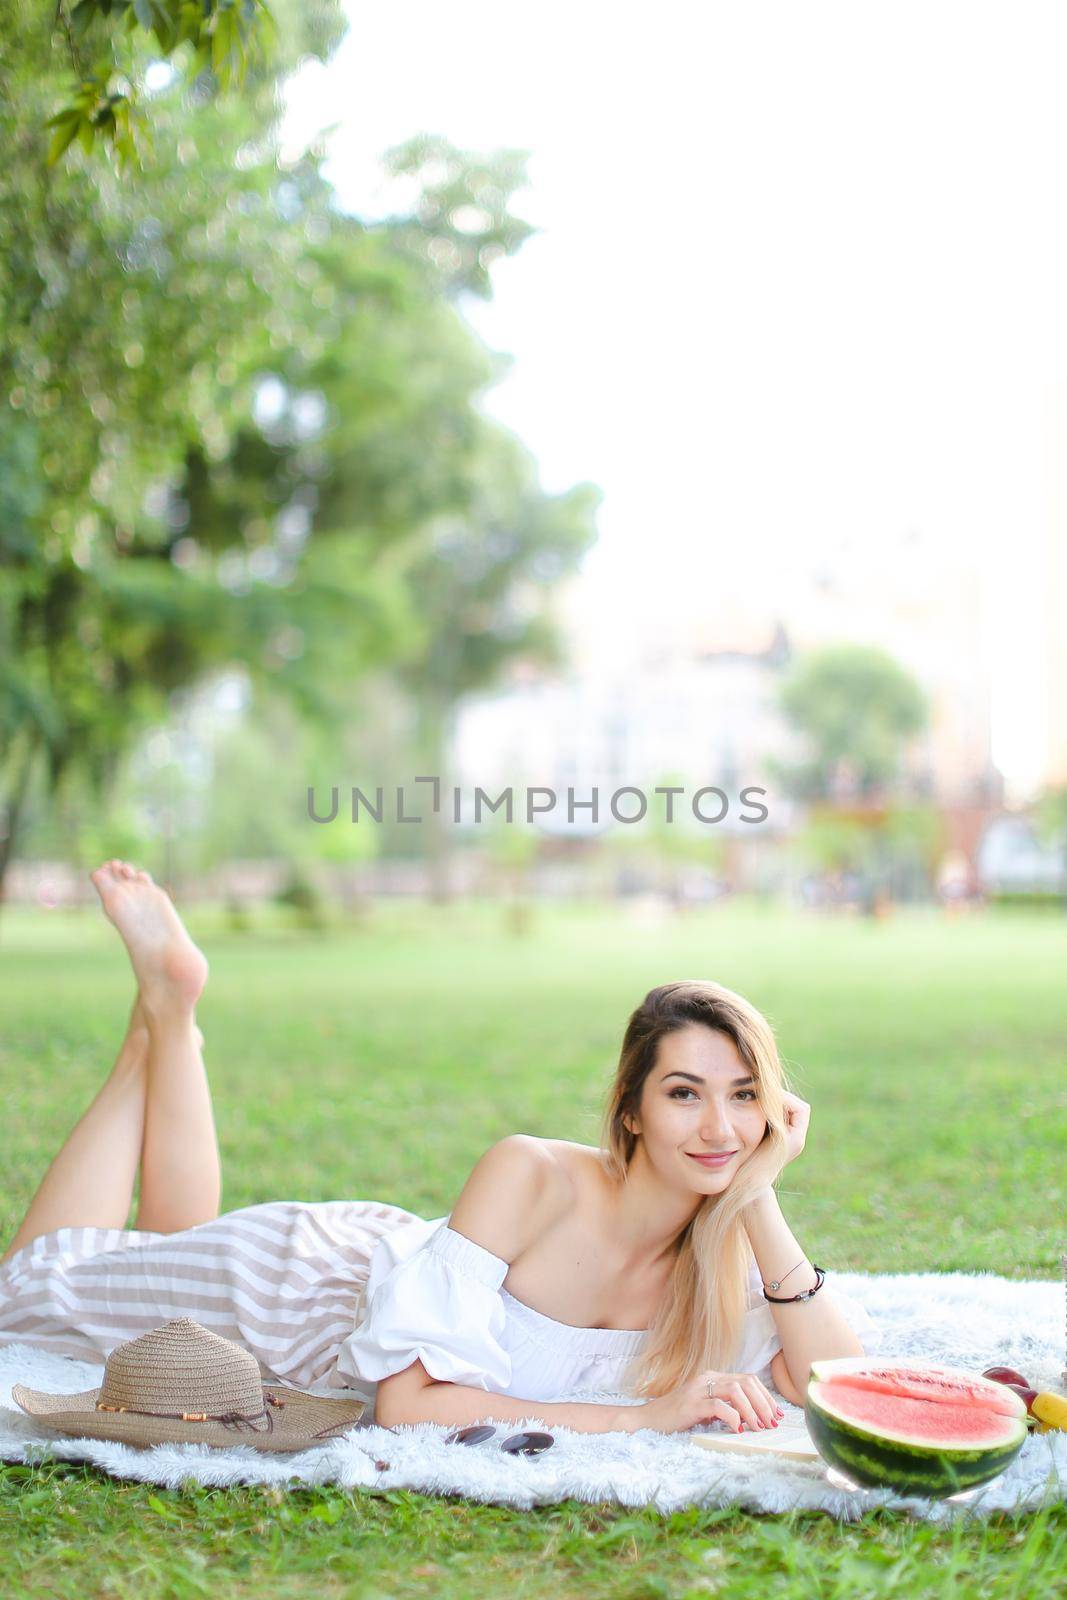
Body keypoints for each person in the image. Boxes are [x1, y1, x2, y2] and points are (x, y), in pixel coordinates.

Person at [0, 861, 881, 1438]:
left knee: (159, 1238)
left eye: (743, 1098)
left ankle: (166, 1014)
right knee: (28, 1285)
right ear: (631, 1111)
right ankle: (160, 1020)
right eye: (684, 1094)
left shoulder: (723, 1258)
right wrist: (645, 1420)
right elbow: (408, 1405)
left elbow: (835, 1388)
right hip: (295, 1295)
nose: (719, 1130)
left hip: (352, 1292)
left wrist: (757, 1195)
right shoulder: (532, 1173)